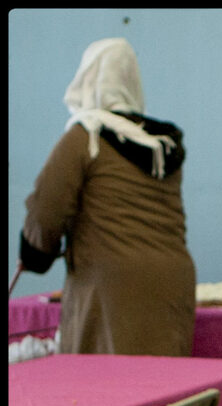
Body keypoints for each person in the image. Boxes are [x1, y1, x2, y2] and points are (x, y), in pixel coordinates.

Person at [19, 37, 196, 356]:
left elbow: (47, 209)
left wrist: (35, 253)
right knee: (165, 388)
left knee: (106, 390)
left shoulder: (85, 137)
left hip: (110, 288)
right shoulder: (161, 146)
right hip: (172, 282)